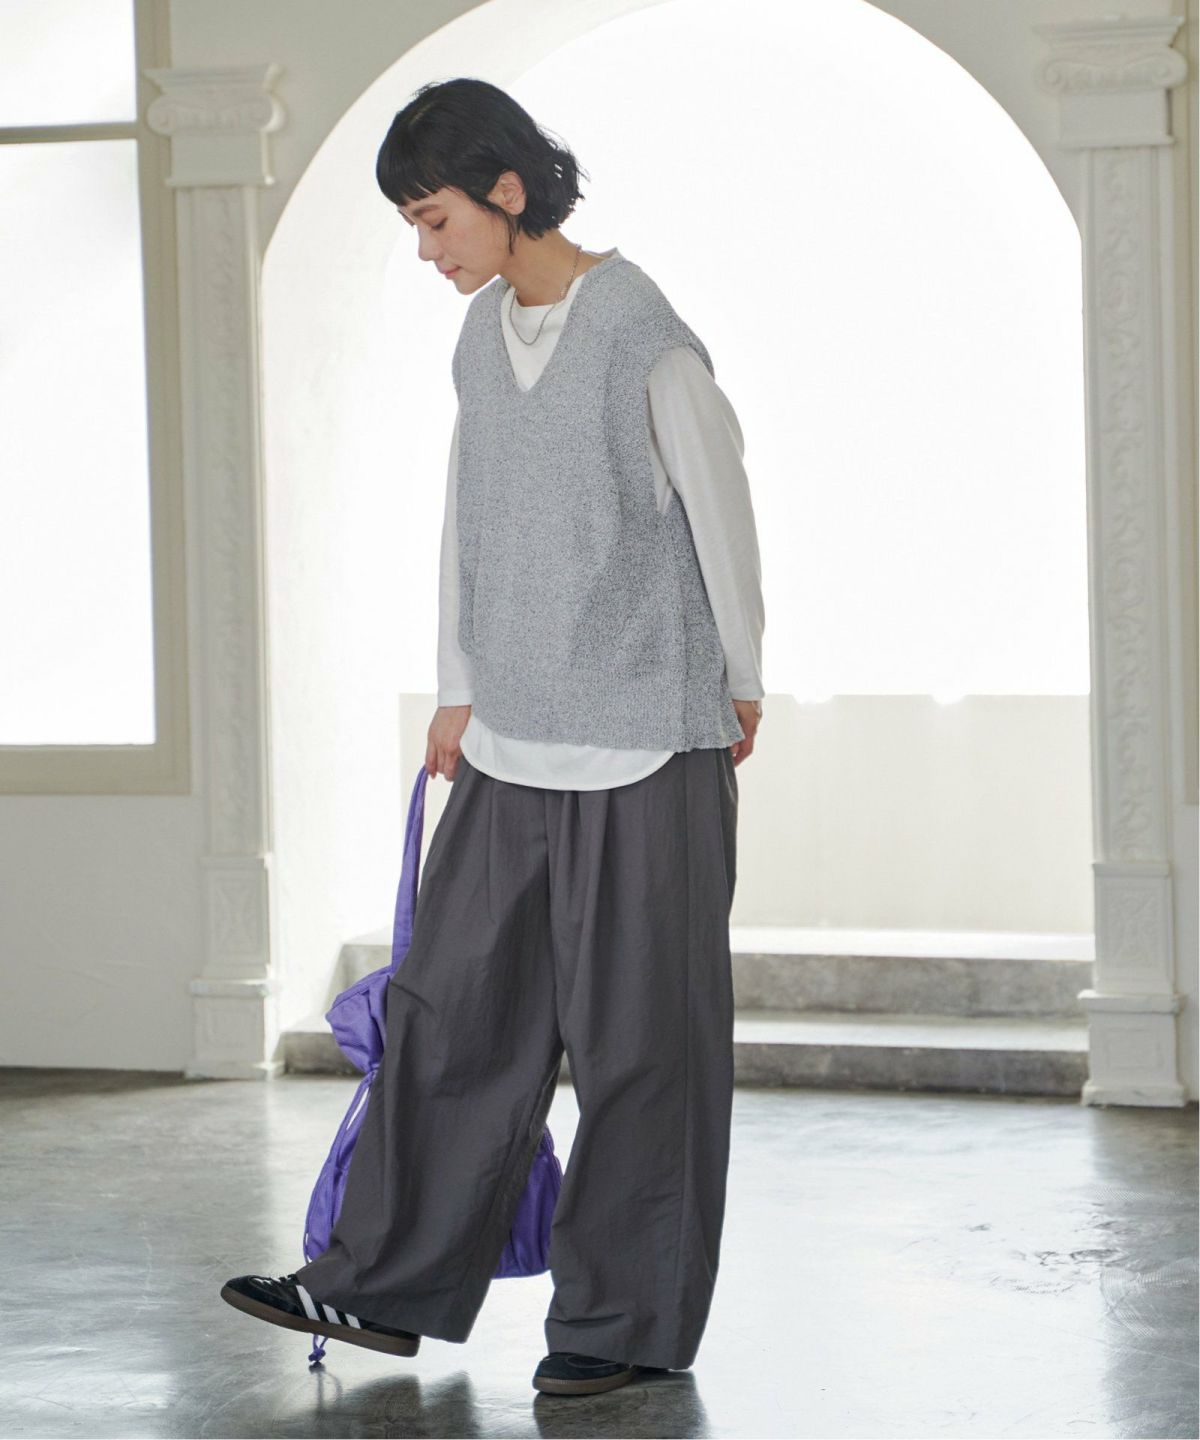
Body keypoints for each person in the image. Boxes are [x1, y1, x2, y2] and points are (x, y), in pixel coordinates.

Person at [221, 76, 765, 1399]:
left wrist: (741, 679)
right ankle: (380, 1282)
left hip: (648, 739)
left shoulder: (643, 335)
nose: (428, 249)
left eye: (436, 218)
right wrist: (457, 686)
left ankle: (622, 1324)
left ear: (507, 192)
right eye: (414, 226)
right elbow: (468, 513)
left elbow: (721, 507)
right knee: (450, 1017)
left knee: (644, 1046)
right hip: (513, 737)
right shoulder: (480, 337)